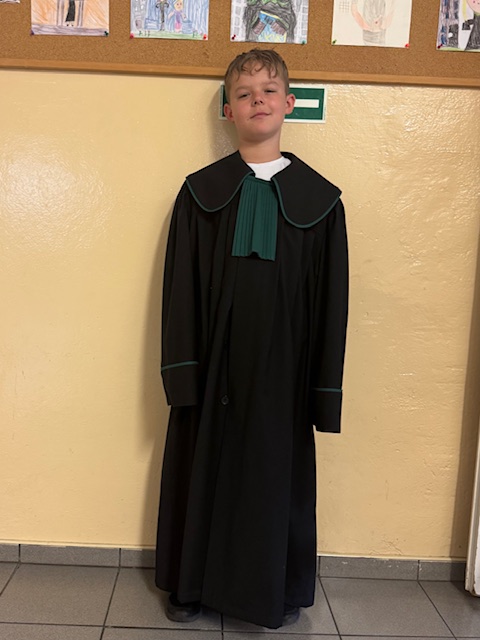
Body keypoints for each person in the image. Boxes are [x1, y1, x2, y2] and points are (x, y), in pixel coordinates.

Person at [155, 48, 348, 630]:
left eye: (268, 91)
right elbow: (179, 290)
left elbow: (332, 304)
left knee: (273, 480)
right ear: (228, 110)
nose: (256, 100)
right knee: (202, 471)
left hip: (283, 375)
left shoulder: (321, 202)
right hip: (212, 365)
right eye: (243, 93)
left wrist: (323, 392)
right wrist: (182, 373)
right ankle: (191, 584)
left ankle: (276, 589)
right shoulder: (200, 194)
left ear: (289, 104)